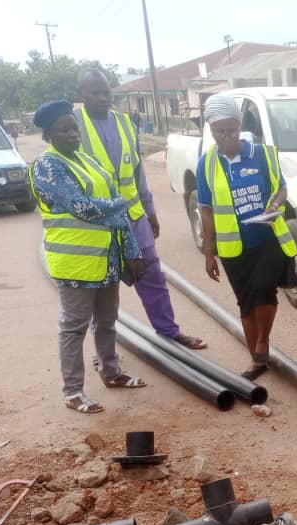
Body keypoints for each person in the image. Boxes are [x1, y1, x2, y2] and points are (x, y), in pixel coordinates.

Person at [29, 100, 147, 413]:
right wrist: (119, 204)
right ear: (49, 135)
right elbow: (81, 206)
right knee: (74, 327)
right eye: (63, 130)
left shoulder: (87, 160)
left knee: (107, 320)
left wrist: (131, 251)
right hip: (76, 263)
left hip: (106, 259)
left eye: (74, 128)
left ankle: (111, 372)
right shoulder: (48, 166)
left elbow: (111, 205)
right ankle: (73, 392)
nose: (72, 134)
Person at [76, 69, 205, 349]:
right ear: (81, 94)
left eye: (106, 92)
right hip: (97, 224)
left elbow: (137, 173)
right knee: (101, 286)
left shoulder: (125, 123)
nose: (102, 98)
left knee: (152, 275)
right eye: (95, 93)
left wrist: (150, 211)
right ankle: (104, 353)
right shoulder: (73, 125)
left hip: (133, 217)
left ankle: (168, 332)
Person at [196, 93, 297, 379]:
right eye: (219, 131)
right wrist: (209, 252)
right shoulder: (206, 164)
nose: (226, 136)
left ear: (239, 126)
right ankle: (257, 359)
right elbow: (206, 210)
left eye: (231, 130)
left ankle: (263, 340)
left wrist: (275, 206)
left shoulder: (262, 154)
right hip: (232, 247)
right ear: (211, 130)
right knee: (245, 301)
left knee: (264, 289)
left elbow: (281, 188)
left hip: (266, 238)